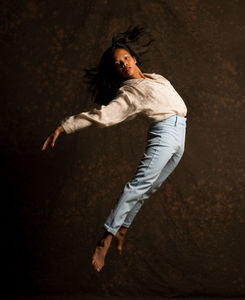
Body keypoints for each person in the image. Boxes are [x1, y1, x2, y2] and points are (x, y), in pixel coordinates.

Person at [41, 25, 187, 272]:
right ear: (116, 72)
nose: (124, 64)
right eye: (118, 64)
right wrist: (64, 127)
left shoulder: (156, 77)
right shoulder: (129, 92)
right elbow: (104, 115)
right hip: (164, 134)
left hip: (180, 133)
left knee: (151, 187)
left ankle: (123, 226)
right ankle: (105, 238)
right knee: (137, 186)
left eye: (126, 58)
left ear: (134, 58)